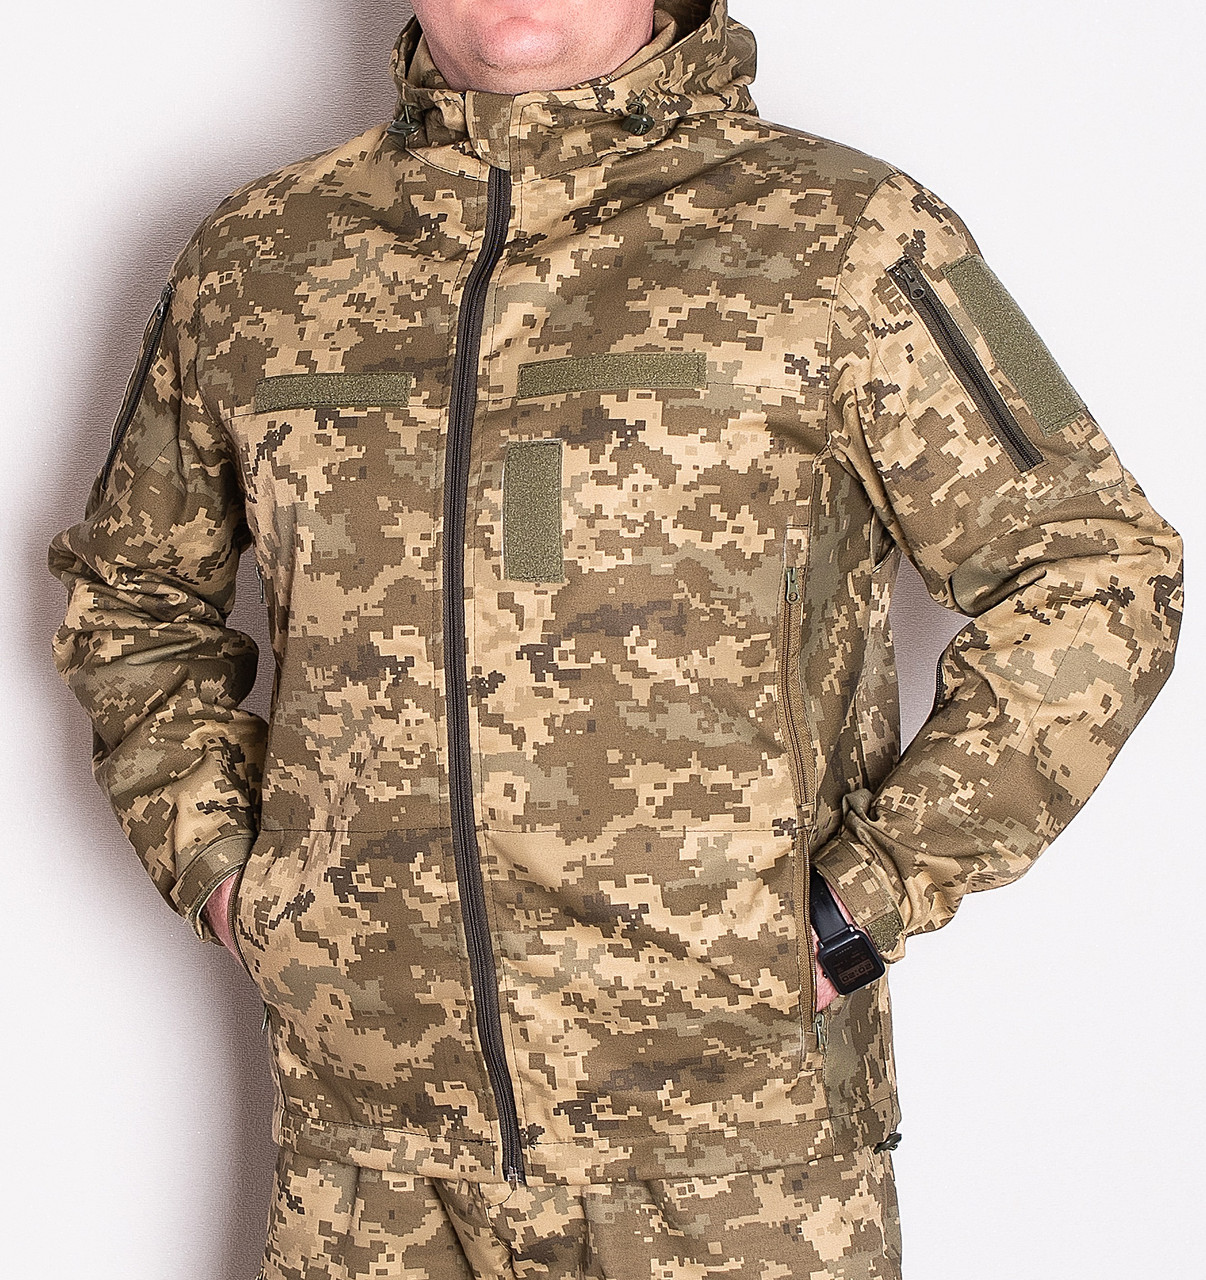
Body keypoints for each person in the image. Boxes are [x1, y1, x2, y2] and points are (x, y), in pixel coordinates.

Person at [48, 0, 1182, 1275]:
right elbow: (130, 592)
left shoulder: (850, 239)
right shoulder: (258, 257)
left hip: (737, 1162)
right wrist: (228, 869)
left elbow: (1097, 571)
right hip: (370, 1161)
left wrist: (868, 896)